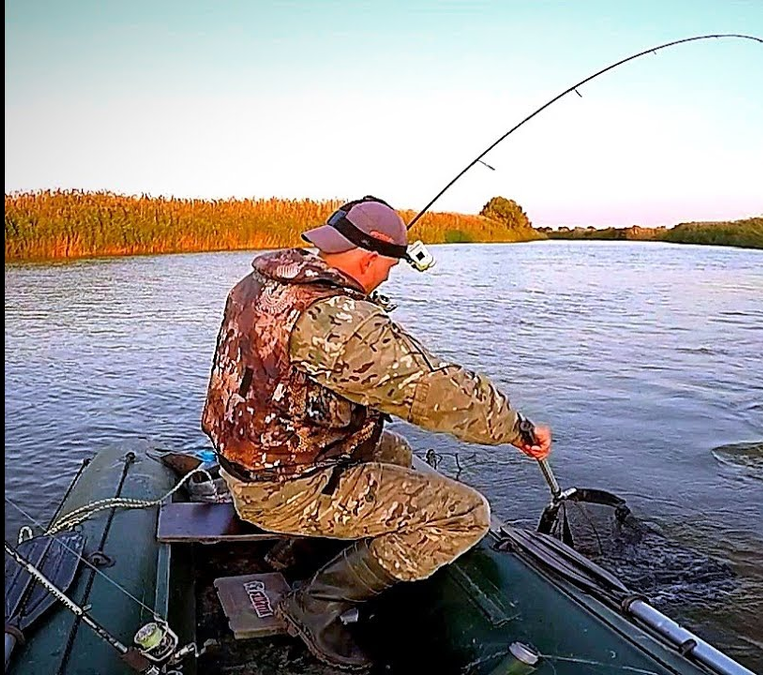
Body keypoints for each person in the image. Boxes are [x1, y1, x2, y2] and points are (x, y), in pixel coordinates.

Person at [200, 195, 552, 671]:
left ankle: (297, 546)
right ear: (368, 258)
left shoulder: (259, 282)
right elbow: (438, 394)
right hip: (283, 488)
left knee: (394, 450)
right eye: (389, 266)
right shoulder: (340, 324)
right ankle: (315, 604)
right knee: (467, 515)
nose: (388, 276)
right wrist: (518, 428)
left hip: (255, 460)